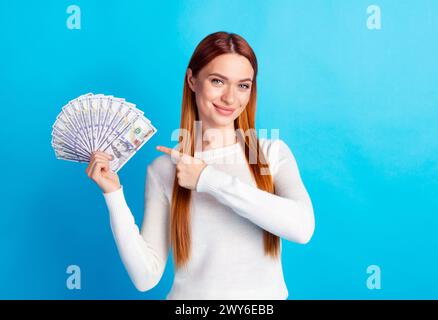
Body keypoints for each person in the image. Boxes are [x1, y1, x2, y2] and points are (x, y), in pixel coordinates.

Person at [86, 31, 315, 300]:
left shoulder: (271, 154)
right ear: (192, 80)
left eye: (243, 85)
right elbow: (145, 278)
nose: (231, 98)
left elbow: (302, 229)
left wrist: (208, 179)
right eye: (218, 81)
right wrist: (113, 195)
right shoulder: (164, 169)